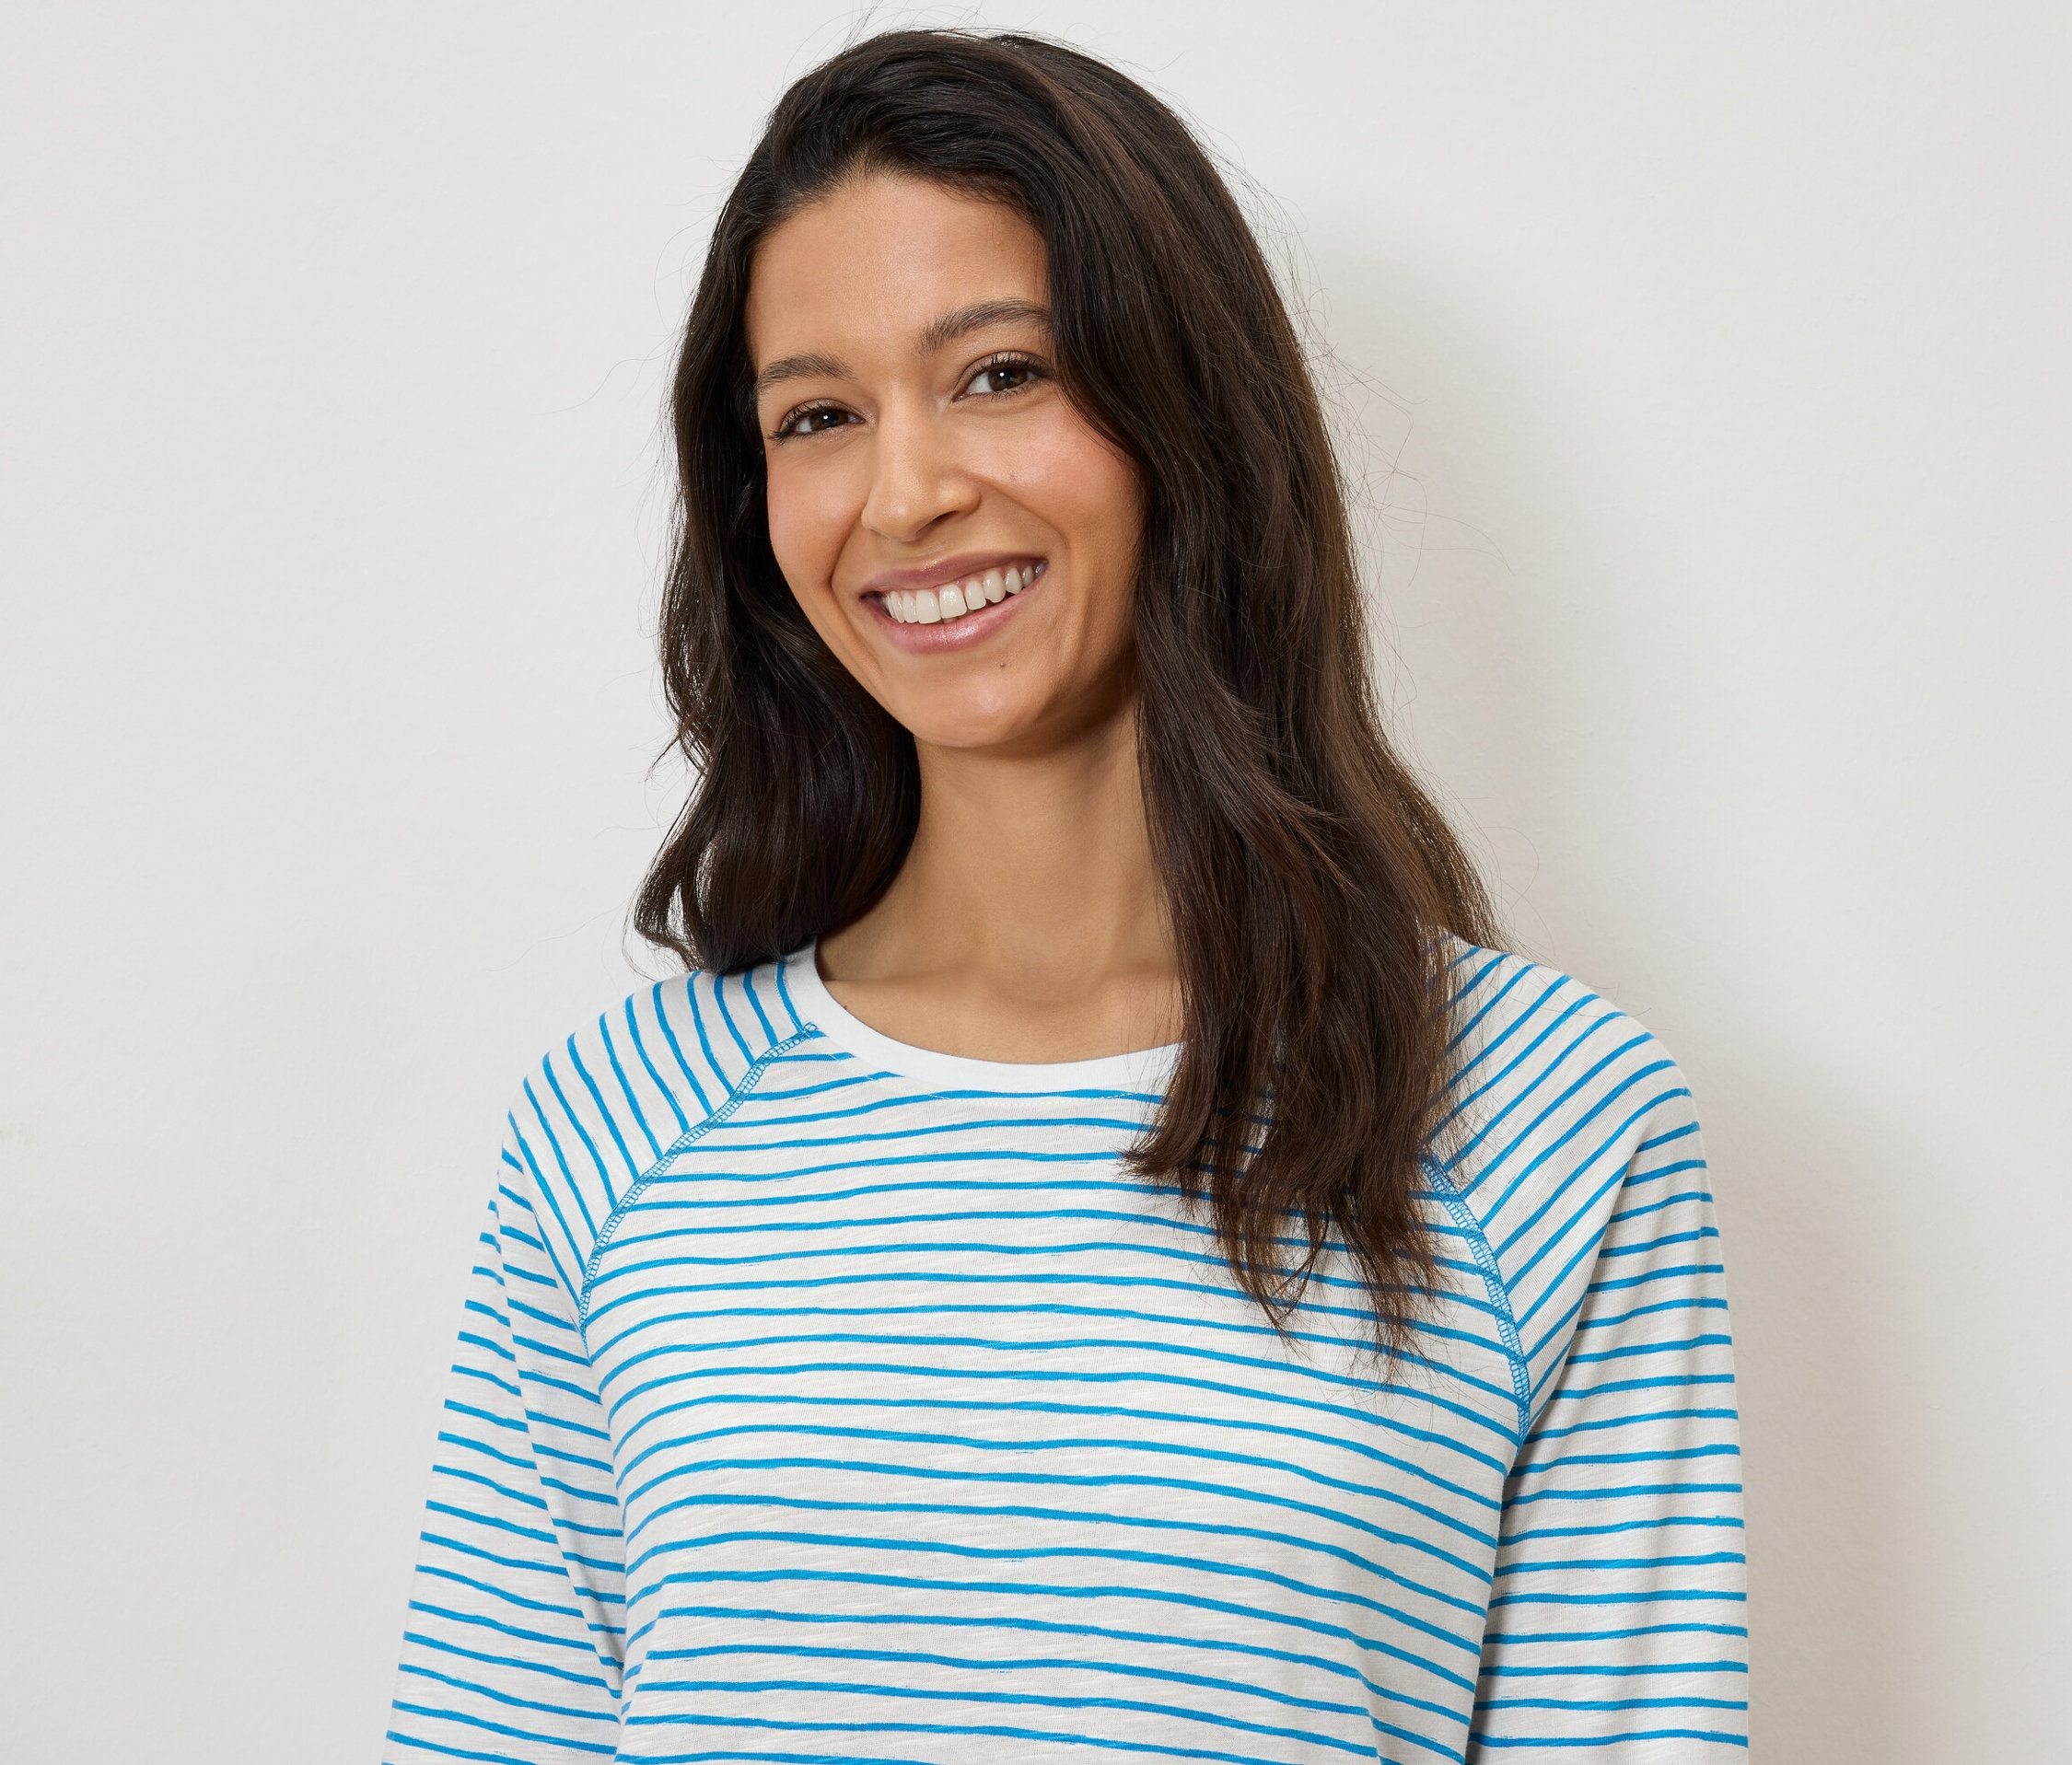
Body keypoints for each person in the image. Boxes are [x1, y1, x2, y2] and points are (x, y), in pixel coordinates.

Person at [384, 29, 1746, 1763]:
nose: (904, 492)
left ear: (1186, 409)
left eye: (999, 372)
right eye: (817, 415)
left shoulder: (1548, 1117)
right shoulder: (615, 1128)